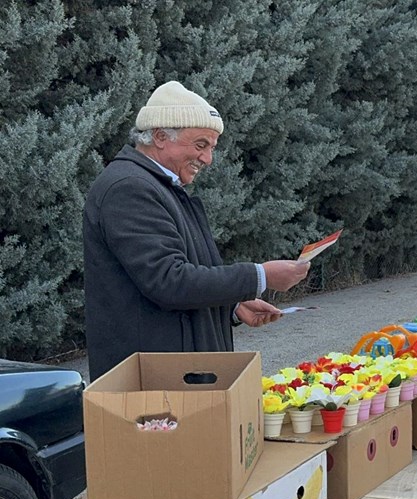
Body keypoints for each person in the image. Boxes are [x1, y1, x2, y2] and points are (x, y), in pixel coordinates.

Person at [84, 81, 311, 380]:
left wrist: (229, 308)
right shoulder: (130, 188)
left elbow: (178, 280)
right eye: (201, 145)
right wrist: (260, 276)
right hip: (153, 387)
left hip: (172, 378)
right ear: (161, 136)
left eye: (211, 148)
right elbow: (169, 281)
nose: (207, 159)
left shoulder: (158, 187)